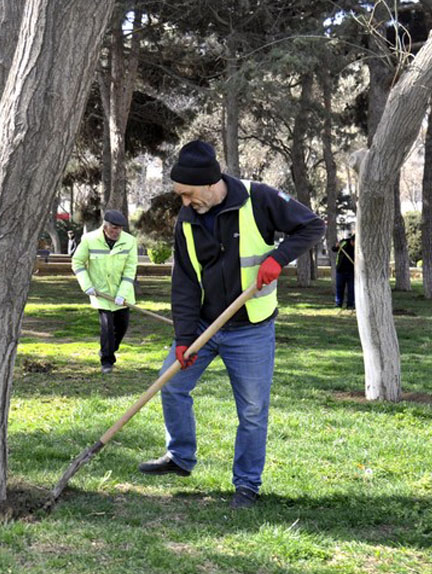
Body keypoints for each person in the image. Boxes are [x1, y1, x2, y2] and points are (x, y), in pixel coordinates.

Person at [137, 140, 325, 509]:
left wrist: (279, 258)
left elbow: (312, 226)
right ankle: (180, 457)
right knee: (172, 386)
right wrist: (184, 337)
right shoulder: (187, 219)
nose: (184, 201)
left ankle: (246, 485)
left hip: (251, 328)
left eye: (188, 193)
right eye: (179, 195)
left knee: (252, 411)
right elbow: (185, 281)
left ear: (210, 183)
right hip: (205, 327)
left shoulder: (260, 198)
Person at [72, 210, 138, 374]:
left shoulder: (130, 241)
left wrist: (122, 294)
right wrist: (86, 285)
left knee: (122, 326)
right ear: (105, 226)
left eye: (120, 229)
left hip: (122, 293)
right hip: (100, 293)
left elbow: (130, 271)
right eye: (114, 228)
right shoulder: (89, 240)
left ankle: (108, 349)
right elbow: (77, 263)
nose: (117, 232)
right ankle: (107, 361)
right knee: (107, 326)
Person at [331, 233, 355, 309]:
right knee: (340, 288)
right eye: (353, 242)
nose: (354, 244)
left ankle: (350, 304)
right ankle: (338, 303)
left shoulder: (357, 247)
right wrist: (336, 246)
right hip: (341, 270)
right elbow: (334, 249)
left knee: (351, 289)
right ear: (351, 240)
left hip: (352, 271)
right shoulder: (343, 243)